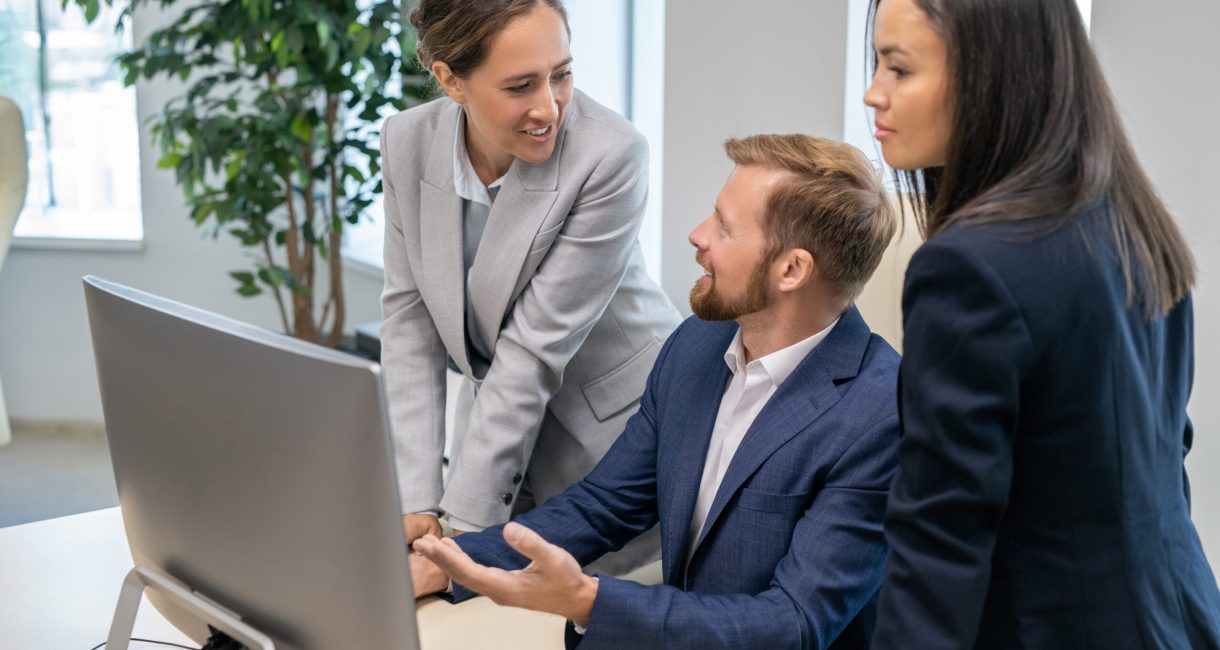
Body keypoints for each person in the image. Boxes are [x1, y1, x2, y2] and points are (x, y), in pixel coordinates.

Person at [412, 134, 901, 649]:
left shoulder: (882, 416)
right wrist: (446, 564)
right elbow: (606, 505)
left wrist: (587, 600)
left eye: (724, 227)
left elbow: (793, 623)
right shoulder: (698, 343)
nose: (697, 235)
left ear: (792, 269)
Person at [862, 0, 1220, 647]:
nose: (872, 94)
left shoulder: (968, 267)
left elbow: (939, 538)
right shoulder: (1132, 223)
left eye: (899, 69)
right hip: (1179, 615)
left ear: (989, 74)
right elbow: (1162, 453)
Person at [378, 0, 680, 570]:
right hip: (492, 435)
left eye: (562, 74)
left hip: (612, 442)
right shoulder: (406, 142)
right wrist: (415, 503)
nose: (550, 107)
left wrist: (462, 535)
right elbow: (409, 324)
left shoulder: (611, 155)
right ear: (450, 80)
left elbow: (532, 350)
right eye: (520, 85)